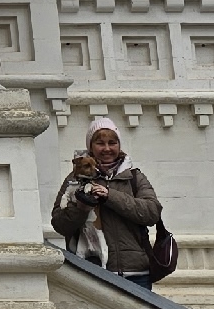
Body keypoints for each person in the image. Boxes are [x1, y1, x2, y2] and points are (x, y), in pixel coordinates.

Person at [50, 116, 163, 280]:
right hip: (91, 273)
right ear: (91, 146)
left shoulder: (133, 177)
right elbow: (59, 224)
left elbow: (152, 213)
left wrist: (110, 196)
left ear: (119, 145)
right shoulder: (74, 179)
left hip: (135, 274)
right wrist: (80, 209)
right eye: (100, 143)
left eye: (112, 143)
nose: (107, 148)